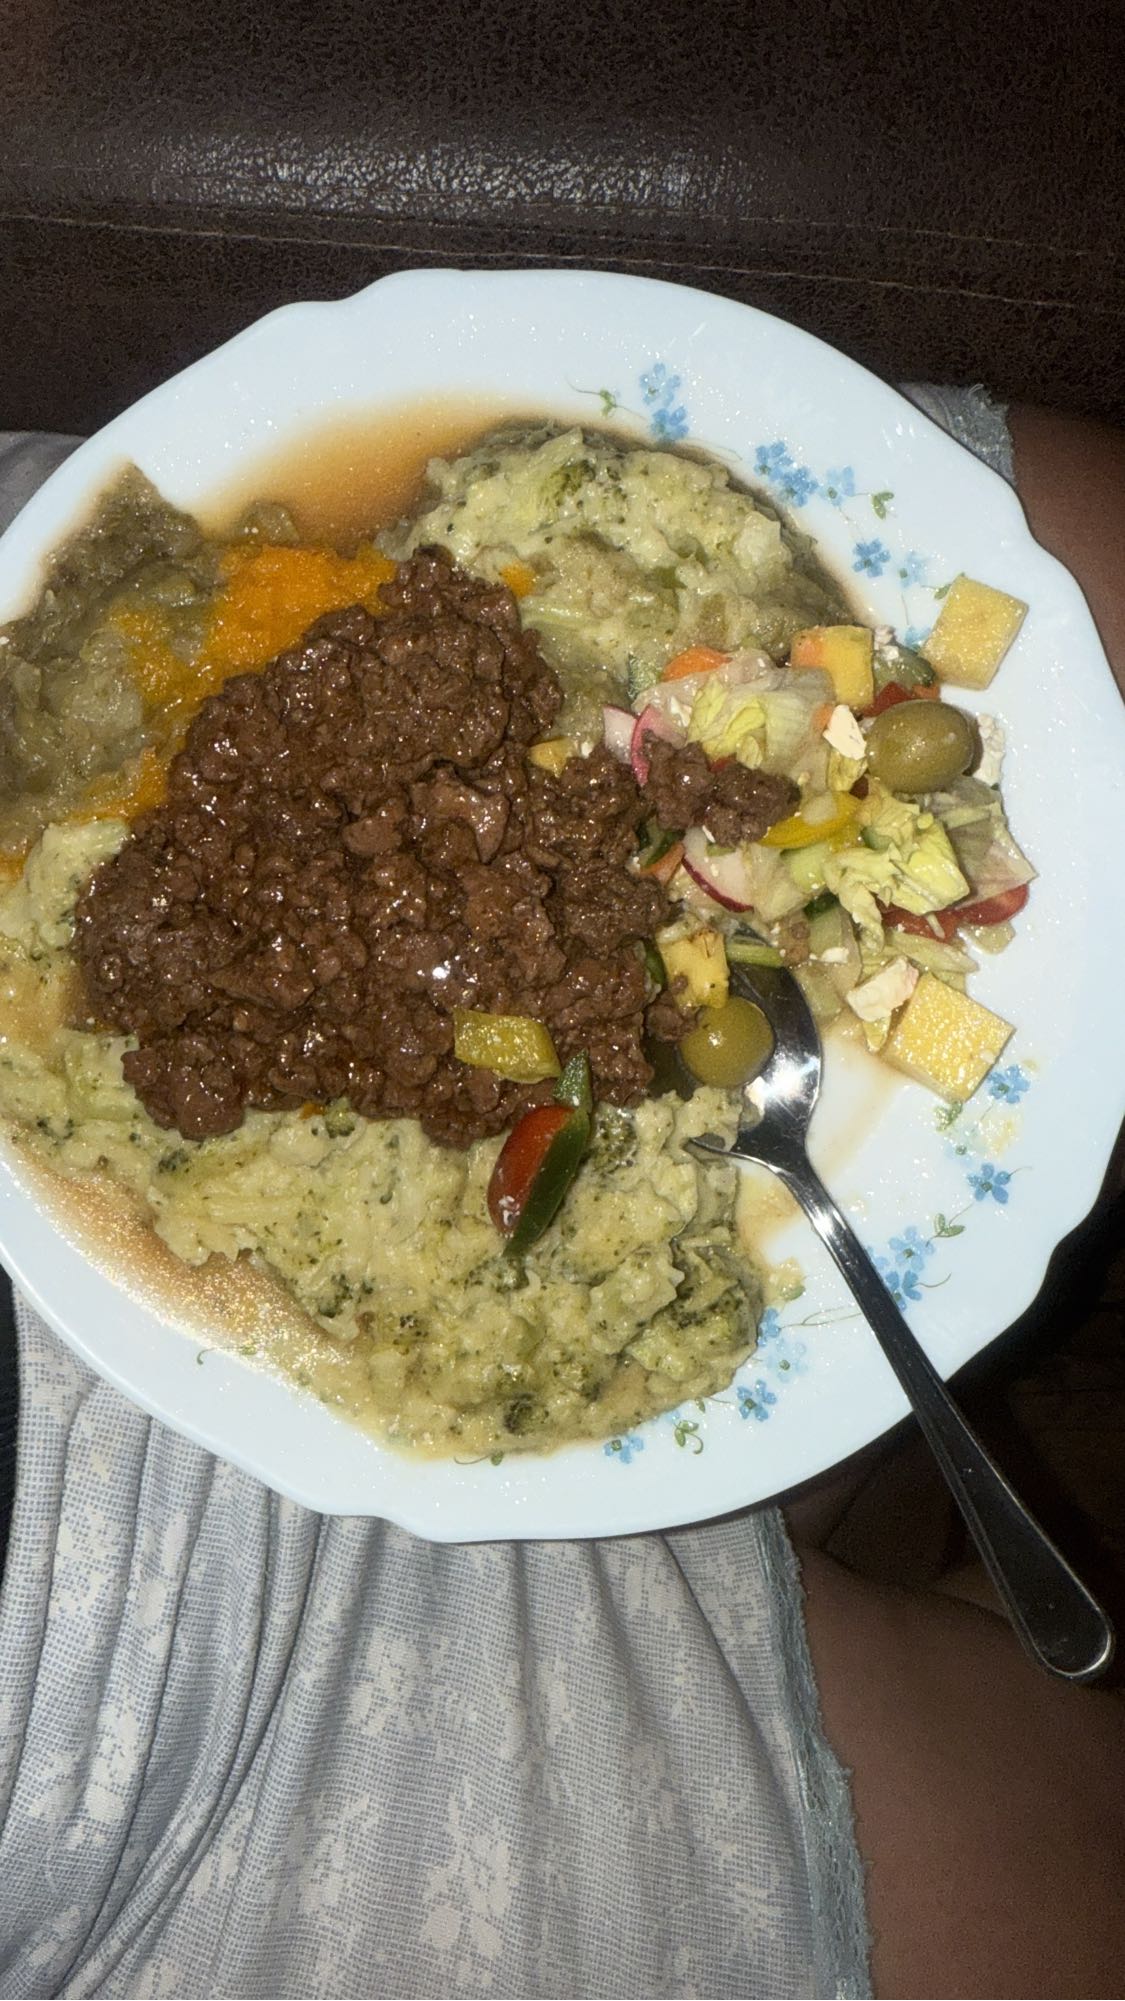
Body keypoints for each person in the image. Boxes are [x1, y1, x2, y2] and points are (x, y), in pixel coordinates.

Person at [0, 392, 1122, 2001]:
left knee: (1090, 518)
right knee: (1082, 1873)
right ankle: (876, 1564)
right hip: (177, 1818)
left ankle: (863, 1544)